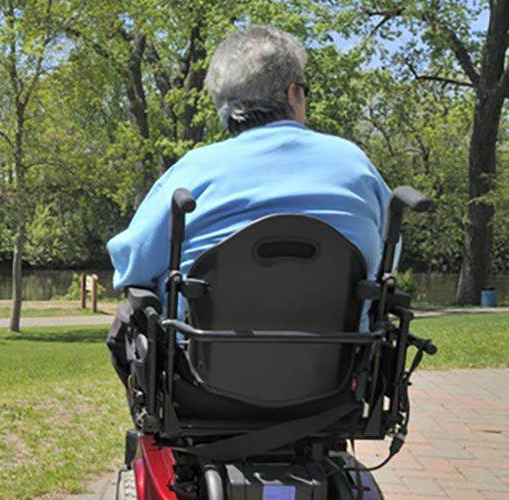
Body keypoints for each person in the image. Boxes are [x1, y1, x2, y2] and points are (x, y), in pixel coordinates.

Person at [105, 26, 391, 385]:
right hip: (332, 377)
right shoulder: (355, 164)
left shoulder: (195, 169)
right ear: (292, 93)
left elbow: (132, 264)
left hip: (202, 383)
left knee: (131, 318)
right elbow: (384, 266)